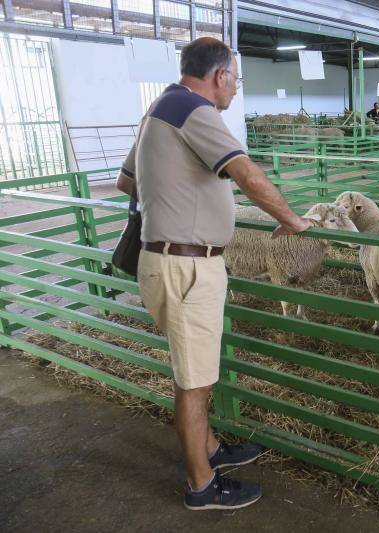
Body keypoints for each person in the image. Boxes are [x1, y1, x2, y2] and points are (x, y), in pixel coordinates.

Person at [115, 37, 313, 511]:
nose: (235, 90)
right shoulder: (194, 109)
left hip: (167, 261)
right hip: (186, 266)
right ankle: (202, 486)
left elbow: (126, 180)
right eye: (236, 80)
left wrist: (177, 191)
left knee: (196, 371)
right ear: (220, 75)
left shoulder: (158, 109)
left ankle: (209, 449)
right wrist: (294, 221)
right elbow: (248, 176)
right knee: (193, 382)